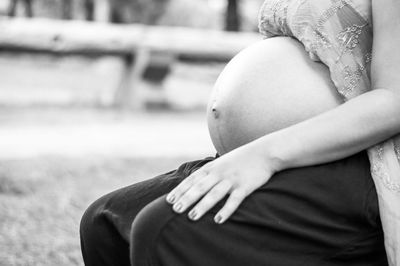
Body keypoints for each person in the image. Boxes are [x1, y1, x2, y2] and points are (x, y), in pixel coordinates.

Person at [80, 0, 400, 265]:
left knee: (163, 231)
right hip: (283, 154)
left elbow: (395, 101)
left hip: (364, 162)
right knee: (106, 222)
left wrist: (265, 155)